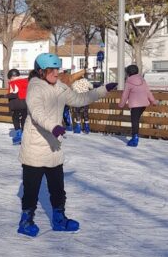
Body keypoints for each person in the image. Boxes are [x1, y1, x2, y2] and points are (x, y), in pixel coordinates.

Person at [17, 53, 117, 236]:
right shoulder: (35, 88)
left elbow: (80, 99)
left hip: (54, 146)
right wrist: (54, 126)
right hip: (35, 146)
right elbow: (37, 113)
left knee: (57, 188)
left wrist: (103, 90)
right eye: (52, 70)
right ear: (41, 72)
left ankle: (59, 219)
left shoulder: (61, 87)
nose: (56, 73)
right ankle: (26, 220)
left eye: (57, 69)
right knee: (31, 189)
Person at [118, 65, 158, 147]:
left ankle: (135, 138)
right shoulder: (142, 80)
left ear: (128, 72)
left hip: (135, 105)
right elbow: (148, 92)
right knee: (136, 120)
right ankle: (135, 136)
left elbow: (125, 95)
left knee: (135, 121)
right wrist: (153, 101)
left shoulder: (129, 82)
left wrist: (121, 104)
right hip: (143, 105)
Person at [7, 69, 28, 144]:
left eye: (10, 78)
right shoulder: (26, 82)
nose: (9, 80)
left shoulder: (13, 83)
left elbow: (14, 94)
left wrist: (5, 96)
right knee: (24, 119)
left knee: (15, 119)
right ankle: (24, 136)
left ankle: (19, 136)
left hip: (16, 104)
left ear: (12, 77)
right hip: (25, 104)